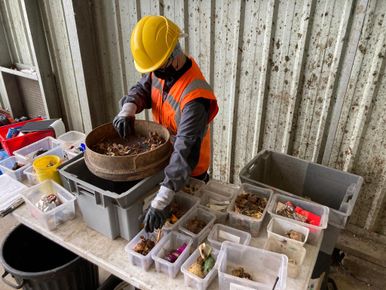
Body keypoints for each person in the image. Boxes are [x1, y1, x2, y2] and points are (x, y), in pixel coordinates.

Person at [113, 15, 219, 233]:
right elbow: (144, 87)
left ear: (175, 52)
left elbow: (185, 149)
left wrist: (162, 200)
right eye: (154, 68)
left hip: (189, 173)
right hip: (165, 161)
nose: (156, 72)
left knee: (187, 226)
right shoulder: (160, 70)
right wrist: (128, 108)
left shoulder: (195, 97)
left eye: (159, 67)